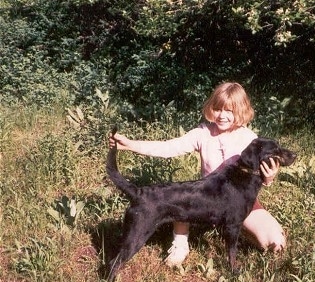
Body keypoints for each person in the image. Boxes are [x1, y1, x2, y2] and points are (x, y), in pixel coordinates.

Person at [109, 82, 286, 267]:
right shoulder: (203, 133)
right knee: (183, 196)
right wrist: (129, 144)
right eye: (217, 109)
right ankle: (180, 243)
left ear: (241, 111)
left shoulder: (250, 140)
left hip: (241, 201)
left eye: (229, 110)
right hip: (206, 199)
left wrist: (270, 177)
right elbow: (167, 147)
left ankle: (233, 226)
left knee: (276, 244)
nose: (222, 115)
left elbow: (262, 175)